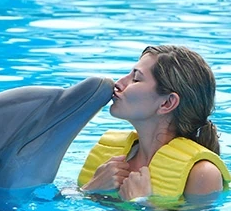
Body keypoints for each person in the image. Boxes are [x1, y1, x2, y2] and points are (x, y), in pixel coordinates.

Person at [77, 45, 230, 201]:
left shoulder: (202, 173)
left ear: (167, 103)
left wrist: (141, 203)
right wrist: (92, 188)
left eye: (136, 79)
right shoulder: (110, 159)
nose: (118, 83)